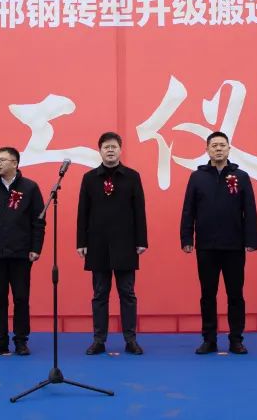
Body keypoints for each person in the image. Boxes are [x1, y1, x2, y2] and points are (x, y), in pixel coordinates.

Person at [180, 131, 257, 355]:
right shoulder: (197, 177)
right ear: (207, 150)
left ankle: (236, 339)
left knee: (235, 295)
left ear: (229, 149)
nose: (218, 149)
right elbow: (188, 210)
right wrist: (187, 238)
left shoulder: (241, 176)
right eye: (214, 145)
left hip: (234, 245)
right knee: (208, 295)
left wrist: (251, 240)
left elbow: (250, 210)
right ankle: (209, 339)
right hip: (206, 246)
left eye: (222, 145)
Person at [77, 132, 148, 355]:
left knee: (127, 293)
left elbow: (139, 211)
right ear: (99, 151)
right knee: (100, 294)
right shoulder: (89, 178)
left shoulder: (132, 177)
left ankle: (130, 339)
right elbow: (83, 212)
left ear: (120, 150)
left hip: (126, 243)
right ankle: (99, 340)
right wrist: (81, 242)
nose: (110, 150)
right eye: (106, 147)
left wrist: (141, 240)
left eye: (114, 147)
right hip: (97, 244)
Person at [0, 147, 45, 356]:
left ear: (15, 163)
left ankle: (21, 341)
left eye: (3, 160)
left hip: (21, 253)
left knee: (21, 298)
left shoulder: (30, 188)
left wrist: (35, 248)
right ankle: (0, 341)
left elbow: (38, 221)